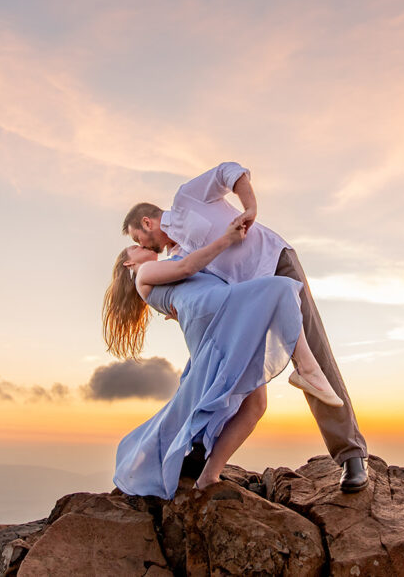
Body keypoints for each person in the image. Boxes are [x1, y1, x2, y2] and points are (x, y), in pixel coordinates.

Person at [121, 161, 369, 492]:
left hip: (273, 265)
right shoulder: (177, 254)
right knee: (222, 372)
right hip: (248, 304)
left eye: (140, 238)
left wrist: (250, 207)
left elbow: (230, 170)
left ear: (147, 222)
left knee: (314, 354)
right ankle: (198, 450)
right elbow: (189, 281)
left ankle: (351, 455)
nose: (146, 246)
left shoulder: (186, 201)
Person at [104, 218, 344, 499]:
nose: (141, 245)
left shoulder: (156, 275)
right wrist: (227, 239)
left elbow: (184, 281)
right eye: (134, 247)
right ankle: (306, 368)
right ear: (127, 264)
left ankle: (209, 476)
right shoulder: (144, 271)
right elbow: (186, 267)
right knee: (282, 289)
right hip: (218, 311)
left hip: (214, 314)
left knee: (255, 405)